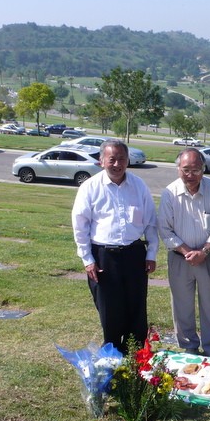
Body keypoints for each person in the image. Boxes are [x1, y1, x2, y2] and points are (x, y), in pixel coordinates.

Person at [72, 139, 158, 354]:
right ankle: (111, 355)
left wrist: (151, 254)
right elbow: (80, 226)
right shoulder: (90, 187)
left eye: (122, 159)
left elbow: (150, 222)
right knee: (109, 310)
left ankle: (136, 354)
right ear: (101, 161)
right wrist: (87, 259)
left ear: (128, 161)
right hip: (103, 257)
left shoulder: (139, 186)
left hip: (134, 255)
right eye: (112, 159)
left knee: (136, 307)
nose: (117, 164)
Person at [157, 148, 210, 357]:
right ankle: (189, 346)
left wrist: (203, 251)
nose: (190, 175)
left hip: (209, 256)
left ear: (203, 169)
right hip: (180, 257)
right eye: (185, 169)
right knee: (182, 304)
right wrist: (188, 252)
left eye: (195, 170)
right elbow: (165, 229)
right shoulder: (169, 193)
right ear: (178, 168)